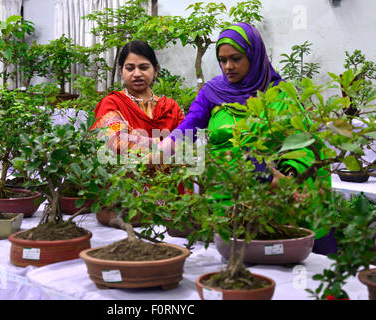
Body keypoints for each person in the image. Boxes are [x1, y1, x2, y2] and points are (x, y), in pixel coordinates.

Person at [158, 22, 337, 255]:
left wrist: (285, 179)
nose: (228, 66)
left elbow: (302, 143)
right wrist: (159, 150)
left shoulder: (280, 93)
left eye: (236, 58)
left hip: (275, 200)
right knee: (234, 261)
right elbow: (188, 127)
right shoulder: (212, 92)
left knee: (277, 264)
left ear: (254, 55)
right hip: (228, 196)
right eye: (222, 60)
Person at [92, 40, 185, 157]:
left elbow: (185, 144)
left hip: (171, 175)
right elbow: (115, 143)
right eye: (130, 68)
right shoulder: (112, 104)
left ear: (155, 70)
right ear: (121, 71)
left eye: (144, 67)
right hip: (125, 174)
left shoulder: (170, 108)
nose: (137, 74)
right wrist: (165, 146)